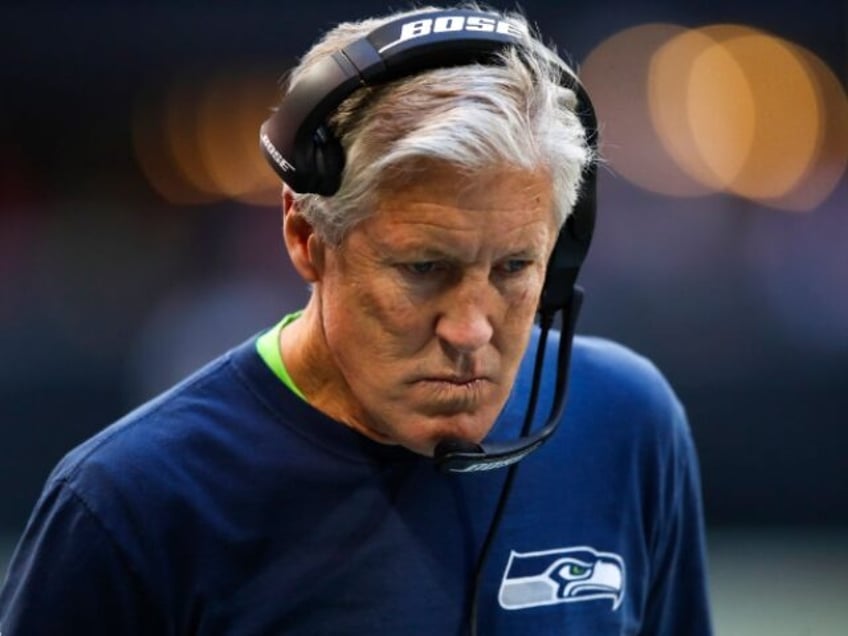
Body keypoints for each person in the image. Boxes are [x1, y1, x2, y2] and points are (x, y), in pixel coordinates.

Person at [0, 4, 712, 634]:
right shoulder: (130, 505)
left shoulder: (628, 423)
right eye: (423, 269)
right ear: (308, 238)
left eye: (513, 270)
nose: (470, 330)